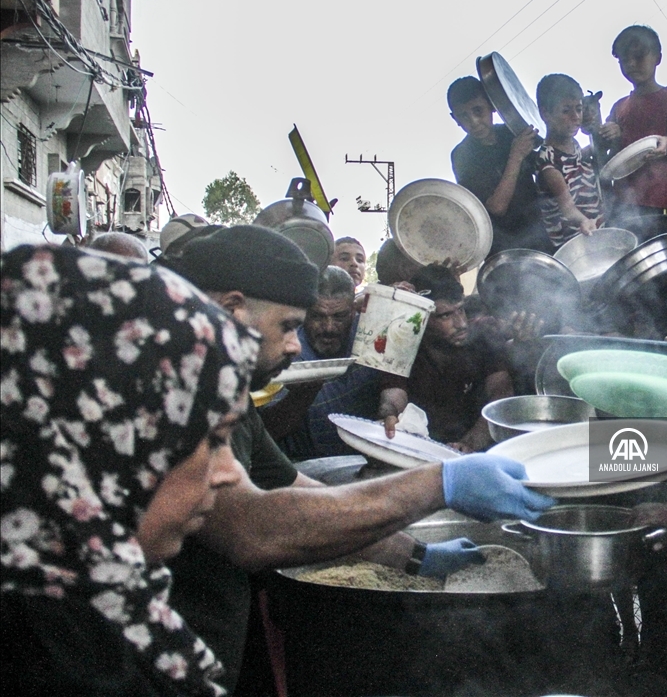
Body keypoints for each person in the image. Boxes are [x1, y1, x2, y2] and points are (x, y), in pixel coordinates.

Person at [160, 226, 554, 692]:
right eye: (288, 326)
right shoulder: (170, 394)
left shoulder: (226, 393)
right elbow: (253, 529)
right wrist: (440, 483)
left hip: (209, 646)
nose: (293, 345)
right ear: (230, 310)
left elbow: (294, 490)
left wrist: (416, 556)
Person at [1, 244, 260, 696]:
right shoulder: (56, 658)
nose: (228, 473)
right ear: (110, 438)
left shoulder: (104, 600)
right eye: (214, 440)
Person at [381, 264, 514, 451]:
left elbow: (501, 393)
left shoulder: (483, 336)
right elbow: (393, 396)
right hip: (420, 448)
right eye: (445, 316)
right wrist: (390, 417)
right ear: (422, 317)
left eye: (461, 310)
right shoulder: (403, 344)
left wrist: (469, 444)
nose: (460, 323)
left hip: (477, 447)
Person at [598, 25, 667, 236]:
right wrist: (609, 134)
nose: (630, 64)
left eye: (638, 56)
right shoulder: (619, 107)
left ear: (658, 57)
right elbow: (608, 155)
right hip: (621, 206)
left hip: (660, 205)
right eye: (623, 60)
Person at [270, 266, 383, 458]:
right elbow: (266, 433)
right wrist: (302, 396)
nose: (329, 328)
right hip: (305, 468)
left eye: (339, 317)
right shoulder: (286, 350)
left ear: (354, 311)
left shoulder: (372, 336)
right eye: (317, 316)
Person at [448, 76, 553, 256]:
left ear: (492, 105)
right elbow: (496, 207)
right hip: (503, 251)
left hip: (540, 235)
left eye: (478, 111)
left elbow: (548, 163)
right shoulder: (462, 156)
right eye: (464, 116)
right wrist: (516, 156)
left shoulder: (511, 132)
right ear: (455, 118)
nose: (474, 122)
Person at [536, 73, 604, 249]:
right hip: (574, 243)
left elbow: (577, 165)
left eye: (578, 109)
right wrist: (585, 221)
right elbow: (568, 208)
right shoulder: (547, 160)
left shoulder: (574, 146)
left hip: (595, 233)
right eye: (566, 111)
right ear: (545, 114)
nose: (576, 117)